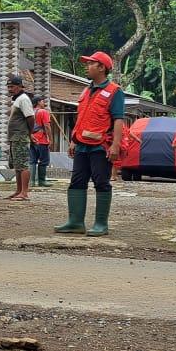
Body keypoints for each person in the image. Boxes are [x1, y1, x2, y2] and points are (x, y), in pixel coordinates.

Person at [56, 51, 125, 237]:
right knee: (77, 181)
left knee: (101, 182)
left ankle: (101, 224)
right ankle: (75, 222)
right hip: (81, 145)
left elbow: (118, 119)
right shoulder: (86, 90)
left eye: (90, 64)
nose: (86, 67)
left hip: (101, 145)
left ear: (102, 67)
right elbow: (82, 118)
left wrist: (116, 145)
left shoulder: (115, 91)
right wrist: (73, 140)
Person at [5, 75, 35, 201]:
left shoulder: (23, 99)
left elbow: (30, 117)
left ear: (19, 87)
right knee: (17, 165)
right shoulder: (18, 99)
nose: (10, 89)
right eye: (8, 87)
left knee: (22, 165)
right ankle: (18, 191)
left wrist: (30, 133)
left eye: (12, 87)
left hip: (21, 137)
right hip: (15, 137)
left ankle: (24, 193)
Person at [30, 96, 52, 187]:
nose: (44, 103)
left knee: (32, 161)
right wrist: (50, 138)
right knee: (43, 160)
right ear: (38, 102)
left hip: (31, 139)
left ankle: (31, 182)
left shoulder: (30, 112)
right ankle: (41, 181)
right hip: (41, 139)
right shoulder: (43, 112)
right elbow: (47, 126)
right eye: (42, 101)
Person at [112, 115, 140, 181]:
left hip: (124, 146)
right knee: (116, 161)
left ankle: (114, 175)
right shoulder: (115, 125)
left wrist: (137, 139)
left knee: (120, 162)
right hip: (118, 145)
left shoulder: (123, 126)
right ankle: (113, 176)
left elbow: (129, 133)